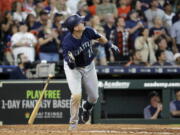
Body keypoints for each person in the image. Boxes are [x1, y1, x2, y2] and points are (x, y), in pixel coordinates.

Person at [62, 14, 119, 130]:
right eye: (80, 22)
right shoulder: (67, 42)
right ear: (75, 28)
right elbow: (70, 63)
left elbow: (99, 37)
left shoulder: (87, 31)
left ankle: (86, 107)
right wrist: (71, 62)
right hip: (74, 69)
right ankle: (73, 125)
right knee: (76, 95)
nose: (83, 22)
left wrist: (110, 45)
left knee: (94, 97)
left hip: (89, 66)